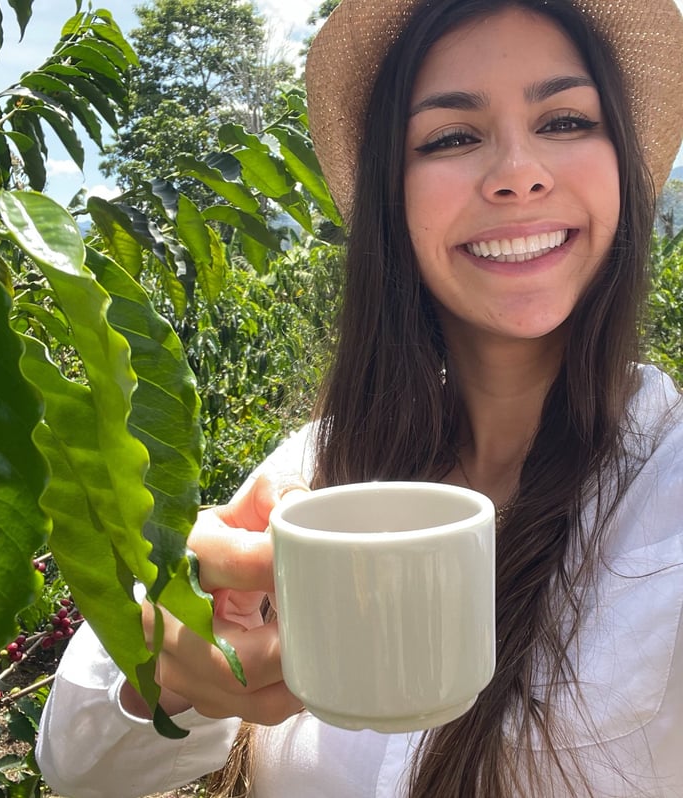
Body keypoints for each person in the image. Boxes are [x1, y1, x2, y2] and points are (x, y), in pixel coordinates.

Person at [35, 0, 683, 795]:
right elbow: (78, 767)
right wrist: (168, 655)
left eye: (566, 121)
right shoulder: (312, 473)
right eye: (452, 136)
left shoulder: (665, 490)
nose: (520, 172)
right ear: (392, 199)